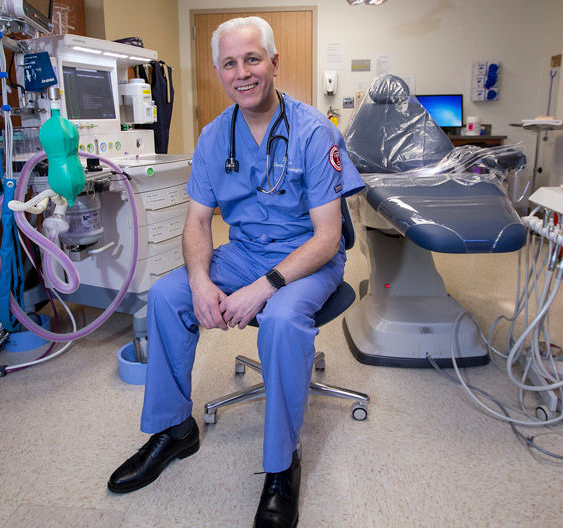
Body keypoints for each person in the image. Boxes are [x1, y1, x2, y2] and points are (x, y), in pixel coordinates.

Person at [107, 16, 363, 528]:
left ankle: (281, 466)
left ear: (273, 63)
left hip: (307, 257)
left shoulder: (315, 131)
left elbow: (328, 237)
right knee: (165, 296)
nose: (242, 72)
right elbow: (197, 221)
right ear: (219, 71)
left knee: (283, 321)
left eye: (252, 59)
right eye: (230, 63)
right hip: (243, 252)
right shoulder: (211, 138)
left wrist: (261, 290)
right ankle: (175, 430)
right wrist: (201, 281)